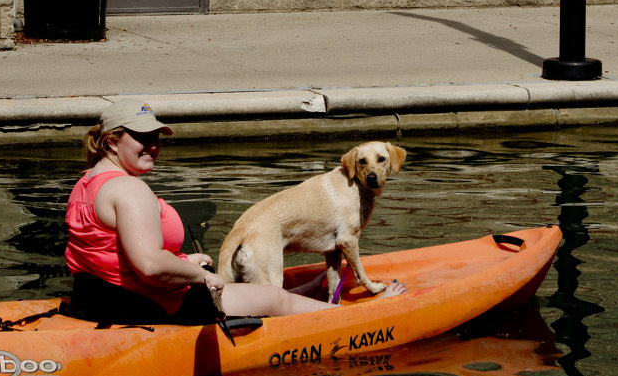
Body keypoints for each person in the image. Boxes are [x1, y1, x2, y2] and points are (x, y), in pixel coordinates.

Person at [65, 99, 405, 326]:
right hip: (152, 304)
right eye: (142, 137)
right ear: (111, 141)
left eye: (156, 137)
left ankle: (311, 293)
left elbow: (111, 252)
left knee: (267, 292)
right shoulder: (130, 189)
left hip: (99, 299)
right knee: (273, 299)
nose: (153, 145)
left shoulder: (88, 183)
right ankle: (368, 317)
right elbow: (151, 265)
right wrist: (201, 276)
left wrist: (184, 263)